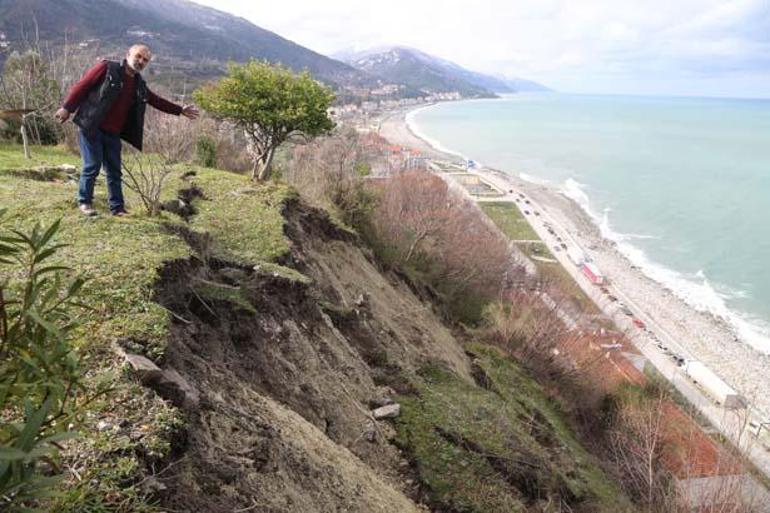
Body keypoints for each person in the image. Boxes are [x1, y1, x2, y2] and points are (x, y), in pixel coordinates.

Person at [55, 44, 199, 216]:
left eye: (145, 60)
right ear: (128, 54)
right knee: (92, 166)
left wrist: (179, 110)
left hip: (113, 133)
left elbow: (156, 100)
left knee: (115, 171)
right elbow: (82, 86)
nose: (141, 61)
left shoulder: (139, 84)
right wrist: (67, 108)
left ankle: (117, 208)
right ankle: (85, 202)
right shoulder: (107, 68)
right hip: (91, 125)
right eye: (138, 56)